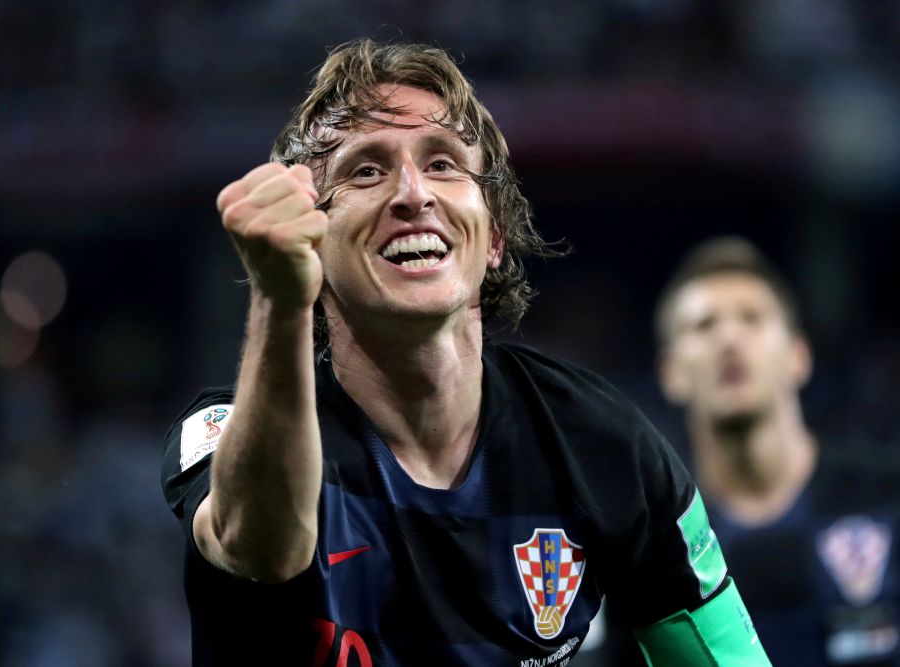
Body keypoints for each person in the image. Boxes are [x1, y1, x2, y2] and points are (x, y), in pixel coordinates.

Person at [161, 39, 770, 666]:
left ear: (495, 235)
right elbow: (262, 549)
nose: (413, 194)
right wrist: (280, 299)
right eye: (365, 171)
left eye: (443, 164)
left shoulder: (601, 443)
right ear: (311, 240)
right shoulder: (224, 432)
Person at [653, 237, 900, 666]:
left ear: (798, 357)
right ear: (671, 373)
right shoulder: (656, 543)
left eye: (752, 318)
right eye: (704, 326)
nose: (729, 338)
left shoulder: (888, 493)